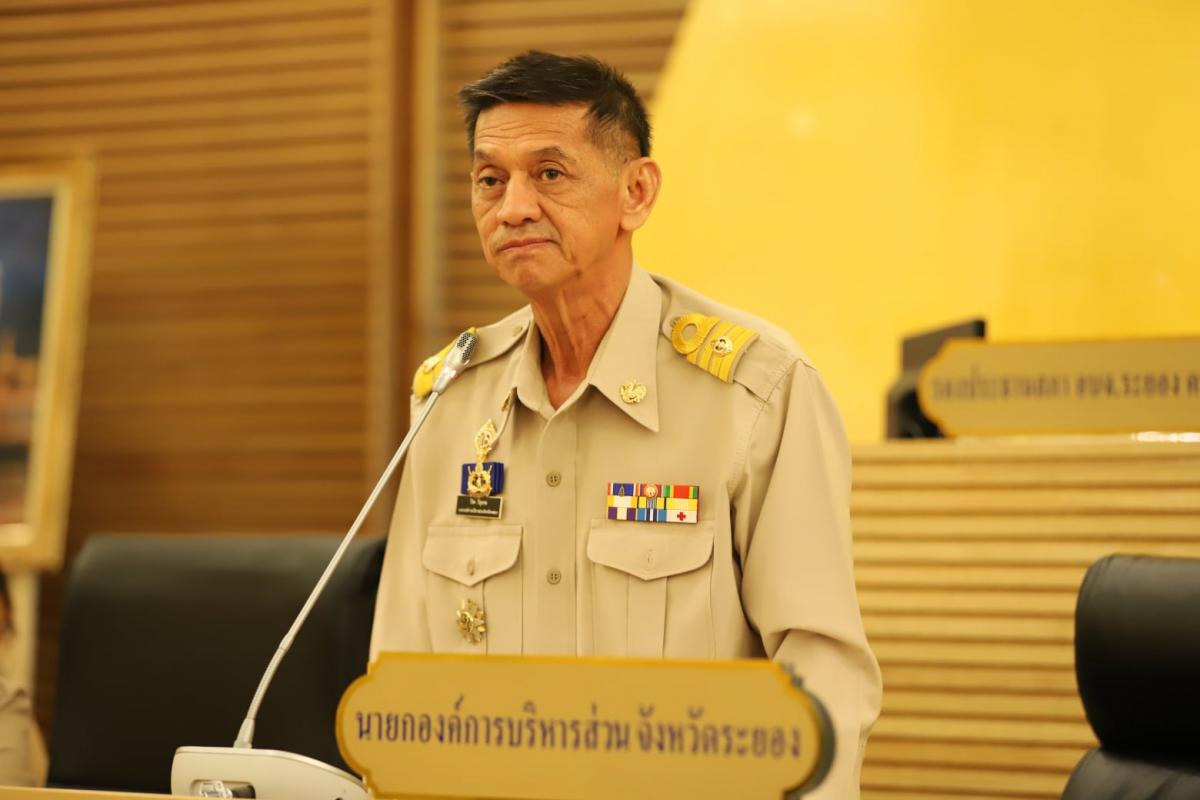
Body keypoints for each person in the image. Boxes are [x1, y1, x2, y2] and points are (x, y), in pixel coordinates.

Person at [370, 51, 881, 797]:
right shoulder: (451, 399)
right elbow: (404, 678)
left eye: (549, 174)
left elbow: (821, 670)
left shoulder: (754, 391)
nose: (512, 208)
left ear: (635, 192)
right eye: (490, 180)